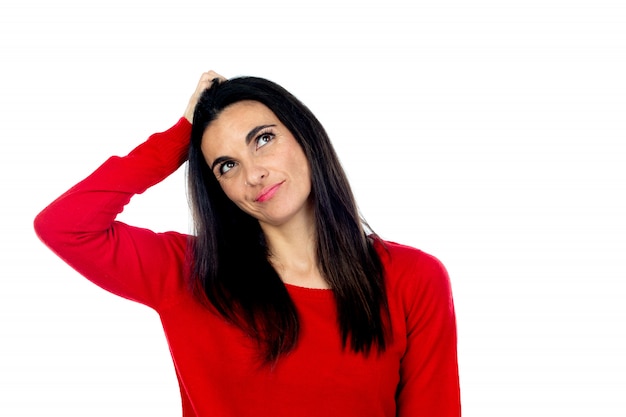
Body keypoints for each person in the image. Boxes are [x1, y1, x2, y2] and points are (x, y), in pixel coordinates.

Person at [34, 71, 461, 416]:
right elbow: (64, 226)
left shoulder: (412, 278)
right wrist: (178, 138)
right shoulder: (188, 272)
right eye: (226, 165)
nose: (253, 174)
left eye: (263, 139)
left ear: (304, 136)